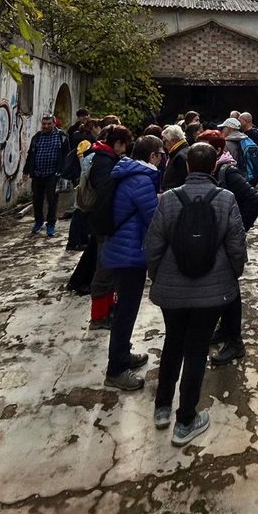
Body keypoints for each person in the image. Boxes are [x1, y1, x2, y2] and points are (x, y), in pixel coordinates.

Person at [144, 142, 247, 445]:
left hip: (172, 289)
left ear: (188, 166)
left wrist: (157, 276)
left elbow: (153, 244)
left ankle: (162, 407)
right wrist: (233, 274)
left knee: (173, 342)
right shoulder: (225, 199)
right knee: (197, 349)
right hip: (212, 289)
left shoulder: (169, 199)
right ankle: (186, 419)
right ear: (214, 167)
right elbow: (236, 245)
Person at [101, 134, 163, 391]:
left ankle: (123, 354)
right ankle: (116, 370)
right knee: (126, 312)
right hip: (130, 255)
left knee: (125, 310)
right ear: (152, 156)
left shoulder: (127, 173)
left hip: (119, 249)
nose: (162, 159)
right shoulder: (141, 181)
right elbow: (154, 219)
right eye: (160, 154)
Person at [197, 130, 258, 366]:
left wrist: (239, 228)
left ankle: (235, 341)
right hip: (216, 240)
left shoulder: (228, 172)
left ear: (216, 151)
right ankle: (225, 331)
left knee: (230, 290)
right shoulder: (213, 171)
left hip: (226, 241)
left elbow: (254, 200)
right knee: (224, 288)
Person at [82, 125, 135, 326]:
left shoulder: (103, 156)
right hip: (104, 223)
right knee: (104, 270)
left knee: (109, 269)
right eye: (124, 145)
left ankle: (107, 309)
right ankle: (99, 316)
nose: (124, 149)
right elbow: (106, 195)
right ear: (118, 143)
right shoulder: (104, 161)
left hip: (104, 222)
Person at [22, 114, 69, 238]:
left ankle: (51, 224)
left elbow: (66, 155)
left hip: (53, 174)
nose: (46, 126)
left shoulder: (62, 137)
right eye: (44, 124)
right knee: (37, 199)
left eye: (49, 124)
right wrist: (26, 171)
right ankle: (38, 221)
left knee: (52, 199)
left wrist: (63, 172)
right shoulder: (37, 137)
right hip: (37, 174)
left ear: (54, 124)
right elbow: (30, 154)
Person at [218, 118, 258, 187]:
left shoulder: (226, 144)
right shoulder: (247, 140)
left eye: (223, 128)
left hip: (234, 179)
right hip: (248, 178)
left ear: (229, 128)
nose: (222, 130)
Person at [161, 124, 189, 191]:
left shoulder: (180, 157)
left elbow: (182, 181)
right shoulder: (179, 152)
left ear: (173, 141)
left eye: (165, 141)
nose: (164, 145)